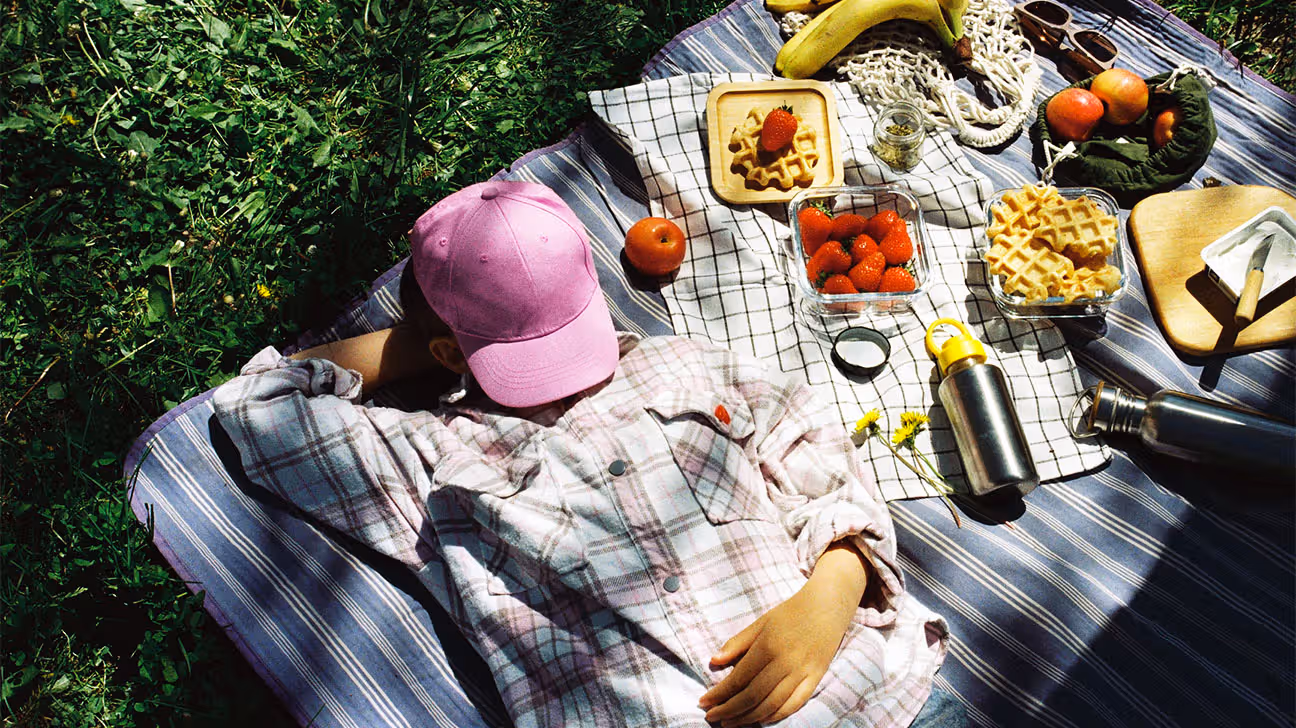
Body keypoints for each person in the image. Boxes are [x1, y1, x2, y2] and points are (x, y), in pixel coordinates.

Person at [212, 181, 957, 727]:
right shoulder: (429, 464)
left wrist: (833, 588)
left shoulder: (685, 365)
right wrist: (429, 346)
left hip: (877, 689)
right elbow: (255, 409)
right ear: (444, 351)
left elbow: (817, 449)